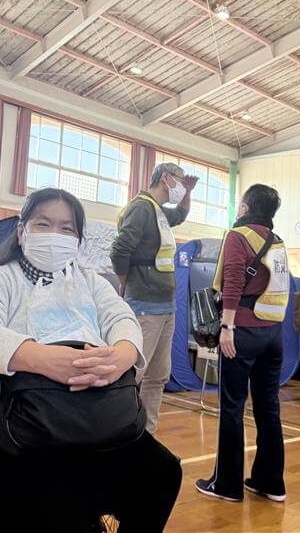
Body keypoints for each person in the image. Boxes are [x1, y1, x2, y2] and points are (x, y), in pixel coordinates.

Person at [0, 188, 182, 532]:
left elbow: (122, 319)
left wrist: (120, 356)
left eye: (66, 228)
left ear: (77, 240)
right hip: (23, 423)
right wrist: (43, 359)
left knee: (162, 472)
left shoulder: (91, 282)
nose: (55, 234)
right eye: (43, 224)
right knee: (56, 500)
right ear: (22, 231)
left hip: (97, 412)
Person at [196, 184, 290, 503]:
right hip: (273, 334)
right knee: (269, 409)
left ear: (246, 207)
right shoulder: (277, 241)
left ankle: (227, 485)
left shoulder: (238, 235)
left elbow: (234, 280)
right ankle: (270, 482)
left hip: (242, 331)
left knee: (232, 407)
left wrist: (226, 326)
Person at [110, 162, 197, 433]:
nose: (181, 184)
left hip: (166, 306)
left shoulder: (158, 211)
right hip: (145, 305)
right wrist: (123, 283)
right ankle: (120, 432)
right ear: (166, 178)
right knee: (134, 374)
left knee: (157, 376)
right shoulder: (141, 208)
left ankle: (146, 434)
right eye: (179, 180)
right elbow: (119, 249)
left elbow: (180, 215)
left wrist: (187, 193)